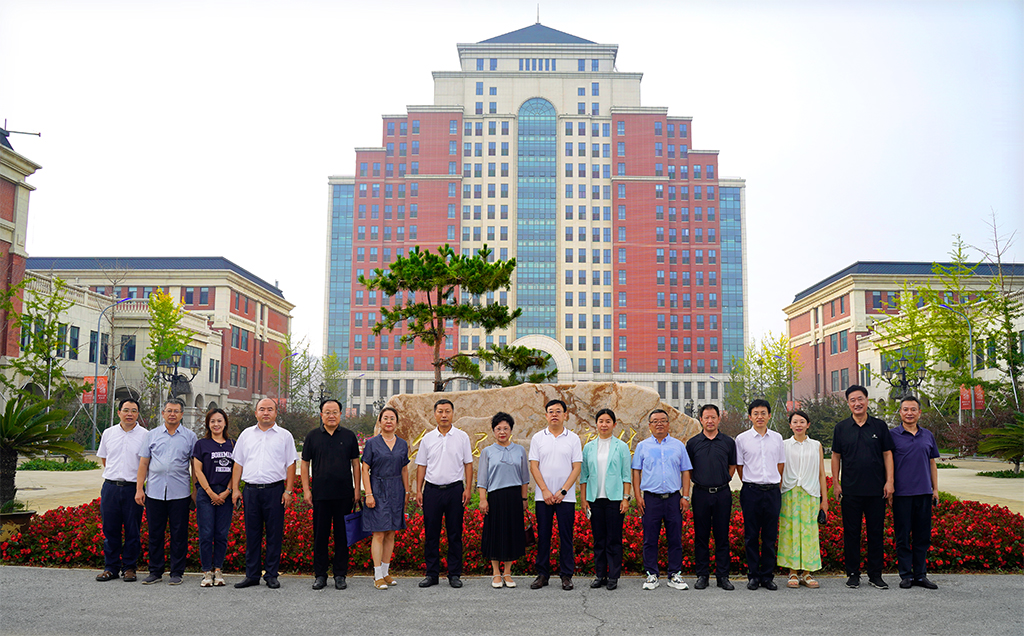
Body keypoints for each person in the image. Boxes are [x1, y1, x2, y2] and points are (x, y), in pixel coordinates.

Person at [831, 384, 895, 590]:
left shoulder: (879, 426)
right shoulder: (841, 428)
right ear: (848, 403)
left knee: (875, 533)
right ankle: (853, 574)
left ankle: (875, 575)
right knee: (851, 533)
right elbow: (836, 456)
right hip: (850, 490)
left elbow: (887, 454)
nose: (857, 403)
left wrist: (890, 481)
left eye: (860, 399)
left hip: (876, 490)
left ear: (867, 401)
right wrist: (836, 483)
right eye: (853, 400)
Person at [231, 398, 297, 589]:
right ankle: (252, 575)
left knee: (274, 534)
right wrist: (235, 489)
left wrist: (288, 491)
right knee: (252, 534)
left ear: (276, 413)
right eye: (262, 409)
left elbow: (291, 464)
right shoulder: (246, 435)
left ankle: (271, 575)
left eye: (270, 409)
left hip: (275, 491)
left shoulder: (285, 436)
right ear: (256, 413)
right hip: (251, 491)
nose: (266, 412)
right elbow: (238, 463)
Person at [135, 398, 197, 586]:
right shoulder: (152, 435)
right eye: (169, 410)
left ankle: (177, 572)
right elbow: (143, 463)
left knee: (179, 534)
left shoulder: (190, 437)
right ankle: (155, 571)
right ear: (163, 413)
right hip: (154, 492)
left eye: (176, 411)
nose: (172, 414)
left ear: (181, 414)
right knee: (155, 533)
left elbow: (195, 466)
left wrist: (195, 490)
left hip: (180, 493)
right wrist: (139, 489)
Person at [301, 399, 361, 591]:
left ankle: (340, 575)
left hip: (344, 495)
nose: (331, 415)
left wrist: (357, 489)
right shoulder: (312, 436)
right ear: (321, 415)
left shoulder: (349, 436)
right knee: (320, 536)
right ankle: (320, 575)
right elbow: (304, 464)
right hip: (320, 495)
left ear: (340, 414)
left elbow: (356, 464)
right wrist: (306, 489)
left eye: (335, 412)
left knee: (342, 537)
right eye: (327, 412)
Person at [415, 399, 474, 588]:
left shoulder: (462, 437)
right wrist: (418, 490)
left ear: (453, 413)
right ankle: (431, 574)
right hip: (432, 490)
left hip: (455, 490)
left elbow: (468, 464)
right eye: (440, 411)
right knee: (431, 534)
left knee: (455, 533)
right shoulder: (428, 438)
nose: (444, 415)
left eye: (447, 411)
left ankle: (454, 574)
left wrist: (468, 488)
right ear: (434, 414)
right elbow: (421, 465)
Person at [631, 409, 692, 591]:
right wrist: (638, 496)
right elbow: (636, 471)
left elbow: (685, 471)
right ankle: (652, 574)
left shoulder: (678, 446)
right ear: (650, 425)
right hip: (651, 499)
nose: (659, 424)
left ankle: (674, 574)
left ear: (668, 424)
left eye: (663, 420)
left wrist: (685, 496)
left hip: (674, 499)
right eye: (655, 421)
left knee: (675, 538)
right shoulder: (642, 446)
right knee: (650, 539)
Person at [529, 399, 583, 591]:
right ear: (546, 415)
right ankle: (542, 575)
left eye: (558, 411)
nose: (554, 414)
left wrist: (563, 491)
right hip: (543, 497)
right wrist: (545, 490)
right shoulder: (538, 438)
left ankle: (566, 575)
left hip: (566, 498)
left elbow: (576, 467)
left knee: (566, 537)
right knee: (544, 535)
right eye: (551, 411)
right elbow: (534, 466)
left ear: (565, 415)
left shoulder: (573, 438)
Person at [889, 396, 940, 590]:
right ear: (900, 412)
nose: (909, 413)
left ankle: (920, 575)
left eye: (913, 409)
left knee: (922, 536)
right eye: (905, 409)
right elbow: (887, 463)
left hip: (924, 493)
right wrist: (889, 488)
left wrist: (935, 489)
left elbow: (932, 463)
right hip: (902, 494)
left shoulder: (927, 435)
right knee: (902, 536)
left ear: (919, 412)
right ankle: (906, 575)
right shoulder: (892, 435)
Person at [95, 398, 148, 583]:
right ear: (119, 413)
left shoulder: (145, 435)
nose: (129, 414)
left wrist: (139, 488)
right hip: (110, 487)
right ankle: (110, 568)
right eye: (126, 410)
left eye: (133, 410)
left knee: (133, 530)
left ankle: (129, 568)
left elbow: (146, 463)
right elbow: (105, 459)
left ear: (138, 414)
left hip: (133, 488)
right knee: (110, 530)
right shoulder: (108, 433)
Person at [685, 403, 737, 591]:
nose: (710, 421)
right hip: (701, 494)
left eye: (713, 417)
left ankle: (723, 576)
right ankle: (702, 575)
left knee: (722, 536)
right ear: (700, 419)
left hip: (722, 493)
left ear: (719, 419)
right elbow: (689, 469)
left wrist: (723, 480)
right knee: (701, 536)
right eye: (706, 417)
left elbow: (732, 466)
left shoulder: (728, 442)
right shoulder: (693, 443)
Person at [580, 408, 632, 591]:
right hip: (595, 499)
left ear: (614, 424)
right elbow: (584, 476)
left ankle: (613, 576)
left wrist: (626, 498)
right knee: (599, 540)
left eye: (608, 421)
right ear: (596, 424)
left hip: (614, 500)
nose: (604, 424)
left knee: (614, 539)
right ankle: (600, 575)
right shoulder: (589, 447)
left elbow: (626, 475)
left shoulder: (621, 447)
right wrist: (584, 499)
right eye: (601, 421)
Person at [735, 399, 785, 591]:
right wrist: (751, 482)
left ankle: (767, 576)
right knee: (751, 536)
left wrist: (773, 483)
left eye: (763, 413)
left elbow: (780, 464)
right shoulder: (742, 439)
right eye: (755, 413)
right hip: (751, 492)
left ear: (769, 415)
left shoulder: (777, 438)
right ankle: (754, 576)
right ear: (750, 417)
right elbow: (740, 467)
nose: (760, 417)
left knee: (770, 537)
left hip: (772, 492)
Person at [477, 412, 530, 589]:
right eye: (498, 429)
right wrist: (483, 499)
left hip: (514, 496)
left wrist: (524, 498)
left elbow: (524, 478)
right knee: (495, 533)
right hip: (495, 497)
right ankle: (496, 573)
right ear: (493, 431)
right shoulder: (487, 451)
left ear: (511, 430)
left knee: (512, 533)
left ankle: (507, 572)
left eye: (505, 428)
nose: (502, 432)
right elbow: (482, 478)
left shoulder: (519, 450)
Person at [777, 410, 828, 589]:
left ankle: (807, 573)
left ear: (808, 425)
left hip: (810, 494)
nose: (798, 425)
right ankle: (792, 572)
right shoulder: (783, 445)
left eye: (802, 422)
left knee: (809, 533)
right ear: (790, 425)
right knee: (789, 532)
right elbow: (779, 471)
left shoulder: (816, 445)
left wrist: (824, 500)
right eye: (795, 422)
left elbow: (821, 474)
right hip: (789, 493)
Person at [362, 406, 410, 590]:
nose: (389, 421)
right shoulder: (372, 443)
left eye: (392, 418)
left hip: (397, 489)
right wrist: (368, 493)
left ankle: (385, 572)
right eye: (385, 418)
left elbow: (404, 469)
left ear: (396, 422)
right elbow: (365, 469)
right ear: (380, 422)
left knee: (391, 532)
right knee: (379, 533)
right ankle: (377, 576)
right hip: (377, 489)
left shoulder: (402, 444)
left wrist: (406, 492)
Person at [191, 408, 235, 588]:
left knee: (221, 534)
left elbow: (236, 470)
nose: (216, 424)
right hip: (206, 493)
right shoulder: (201, 444)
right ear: (208, 424)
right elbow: (197, 470)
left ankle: (218, 570)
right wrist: (210, 492)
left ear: (225, 423)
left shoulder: (233, 444)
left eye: (219, 421)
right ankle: (206, 571)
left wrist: (228, 491)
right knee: (206, 533)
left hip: (225, 494)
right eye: (212, 421)